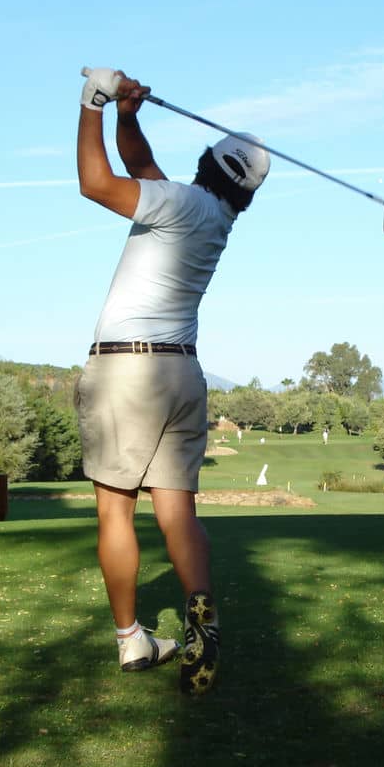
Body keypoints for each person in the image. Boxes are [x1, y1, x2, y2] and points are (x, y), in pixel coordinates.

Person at [73, 67, 270, 695]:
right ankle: (201, 614)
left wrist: (93, 104)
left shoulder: (179, 203)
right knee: (178, 513)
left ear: (207, 162)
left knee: (115, 510)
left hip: (127, 369)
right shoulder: (211, 218)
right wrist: (130, 115)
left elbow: (95, 182)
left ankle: (132, 639)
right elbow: (143, 166)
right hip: (182, 373)